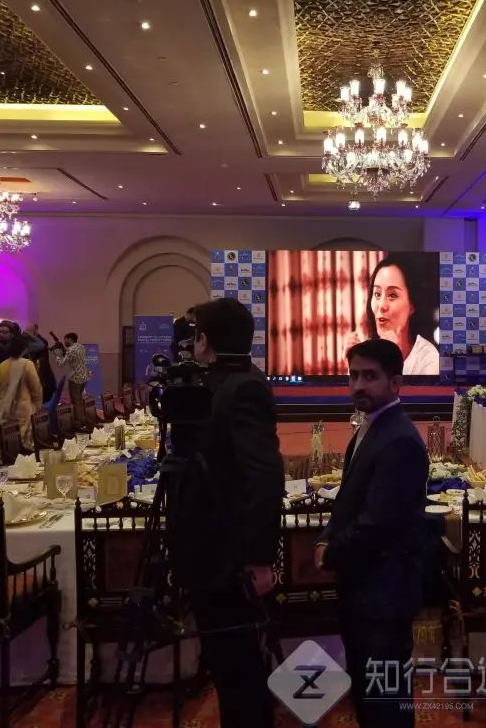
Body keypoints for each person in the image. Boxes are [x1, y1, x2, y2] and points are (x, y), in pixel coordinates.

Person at [173, 297, 283, 727]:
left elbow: (263, 475)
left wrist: (259, 558)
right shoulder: (220, 383)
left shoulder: (242, 387)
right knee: (227, 665)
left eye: (194, 336)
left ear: (204, 340)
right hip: (212, 553)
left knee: (238, 667)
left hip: (228, 558)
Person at [315, 338, 428, 727]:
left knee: (386, 705)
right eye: (353, 376)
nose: (358, 385)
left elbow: (378, 523)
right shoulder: (372, 427)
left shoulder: (400, 439)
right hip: (363, 589)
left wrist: (330, 552)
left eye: (369, 376)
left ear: (395, 383)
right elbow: (350, 500)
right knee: (367, 695)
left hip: (384, 593)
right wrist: (328, 535)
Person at [349, 255, 440, 376]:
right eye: (377, 294)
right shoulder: (365, 352)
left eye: (392, 295)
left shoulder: (429, 359)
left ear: (412, 305)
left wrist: (393, 361)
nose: (382, 306)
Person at [0, 334, 42, 456]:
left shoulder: (1, 366)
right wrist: (38, 407)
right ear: (24, 349)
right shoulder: (27, 365)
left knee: (8, 441)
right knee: (23, 445)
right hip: (23, 410)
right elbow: (36, 389)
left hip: (4, 409)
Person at [53, 333, 88, 426]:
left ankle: (79, 422)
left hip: (75, 379)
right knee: (80, 400)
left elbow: (61, 363)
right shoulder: (81, 347)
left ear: (70, 339)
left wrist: (58, 355)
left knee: (75, 401)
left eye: (65, 339)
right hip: (83, 377)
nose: (64, 342)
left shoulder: (71, 350)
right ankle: (83, 419)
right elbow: (73, 359)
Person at [23, 324, 56, 403]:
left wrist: (31, 334)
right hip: (44, 383)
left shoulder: (33, 344)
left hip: (42, 385)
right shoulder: (37, 342)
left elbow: (43, 345)